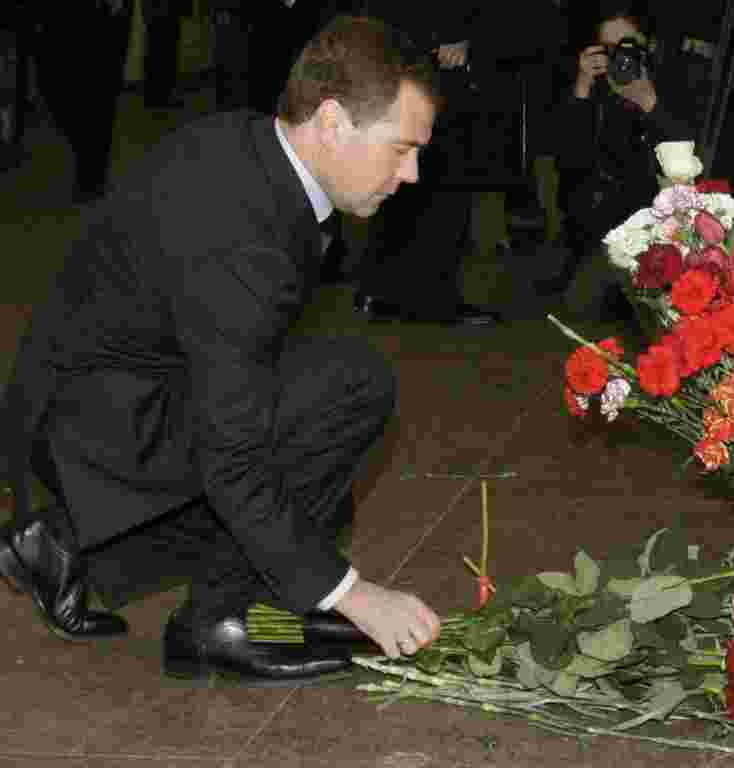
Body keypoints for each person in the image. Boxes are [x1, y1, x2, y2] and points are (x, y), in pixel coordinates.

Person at [0, 15, 441, 684]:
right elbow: (230, 456)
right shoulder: (242, 240)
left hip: (104, 404)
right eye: (401, 148)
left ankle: (63, 541)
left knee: (309, 460)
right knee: (347, 390)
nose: (410, 174)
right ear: (332, 122)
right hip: (94, 429)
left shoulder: (253, 150)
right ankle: (220, 619)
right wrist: (351, 593)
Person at [353, 0, 559, 325]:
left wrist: (465, 39)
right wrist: (453, 37)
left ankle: (385, 291)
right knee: (434, 186)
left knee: (419, 183)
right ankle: (415, 295)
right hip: (431, 75)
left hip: (425, 71)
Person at [537, 3, 693, 318]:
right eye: (609, 48)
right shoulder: (594, 86)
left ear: (648, 45)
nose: (620, 57)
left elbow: (687, 157)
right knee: (580, 306)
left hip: (653, 222)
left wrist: (648, 102)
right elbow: (567, 159)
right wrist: (581, 88)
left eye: (629, 46)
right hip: (598, 221)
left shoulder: (671, 80)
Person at [29, 0, 135, 203]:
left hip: (104, 21)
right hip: (59, 18)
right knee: (51, 86)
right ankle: (88, 154)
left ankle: (92, 177)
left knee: (100, 100)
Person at [142, 0, 192, 109]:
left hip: (160, 11)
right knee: (164, 55)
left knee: (161, 54)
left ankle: (157, 96)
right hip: (163, 11)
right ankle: (160, 97)